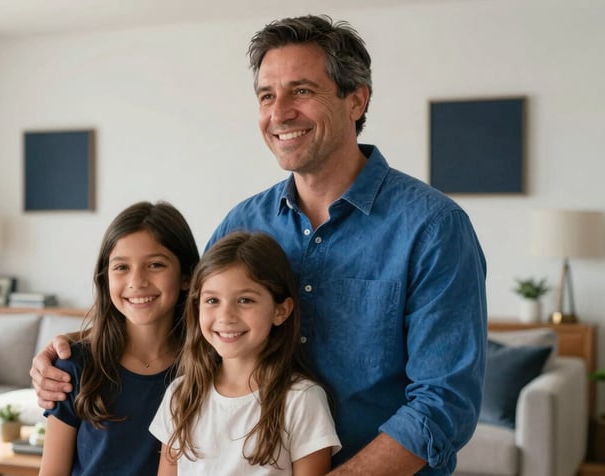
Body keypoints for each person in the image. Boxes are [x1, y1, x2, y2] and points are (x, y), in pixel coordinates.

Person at [31, 15, 487, 476]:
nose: (280, 112)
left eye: (302, 91)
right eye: (267, 96)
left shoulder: (433, 228)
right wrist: (71, 348)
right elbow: (188, 324)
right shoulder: (241, 224)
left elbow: (443, 403)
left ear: (356, 99)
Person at [149, 231, 341, 475]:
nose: (226, 316)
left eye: (245, 300)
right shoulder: (181, 394)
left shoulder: (301, 399)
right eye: (212, 301)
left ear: (281, 311)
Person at [37, 201, 200, 476]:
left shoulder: (202, 368)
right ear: (105, 277)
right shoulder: (75, 366)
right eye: (121, 267)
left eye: (155, 264)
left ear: (186, 276)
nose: (137, 281)